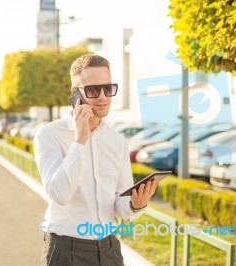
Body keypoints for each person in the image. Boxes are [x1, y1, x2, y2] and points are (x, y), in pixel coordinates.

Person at [33, 54, 157, 266]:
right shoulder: (49, 135)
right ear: (75, 94)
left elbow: (119, 205)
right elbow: (59, 195)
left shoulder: (117, 141)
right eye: (93, 90)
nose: (102, 96)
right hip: (65, 252)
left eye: (107, 88)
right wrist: (80, 140)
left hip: (109, 250)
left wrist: (136, 205)